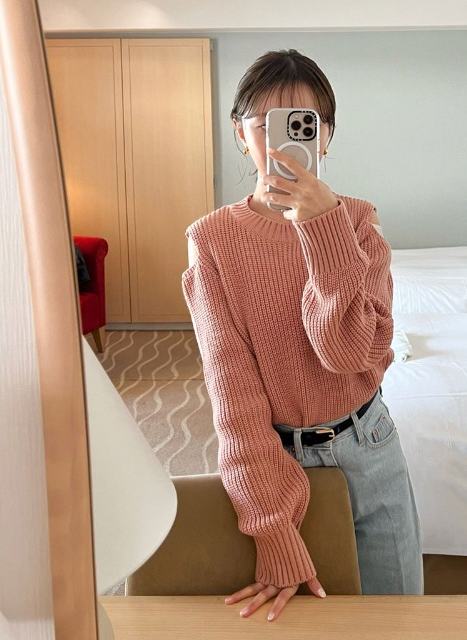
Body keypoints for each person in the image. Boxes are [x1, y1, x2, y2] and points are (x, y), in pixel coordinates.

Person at [182, 49, 422, 622]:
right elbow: (234, 400)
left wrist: (323, 229)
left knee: (401, 619)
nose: (281, 141)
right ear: (240, 133)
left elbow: (349, 355)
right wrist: (269, 525)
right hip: (276, 457)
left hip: (370, 443)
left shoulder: (358, 223)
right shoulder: (211, 241)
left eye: (302, 124)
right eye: (265, 125)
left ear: (326, 136)